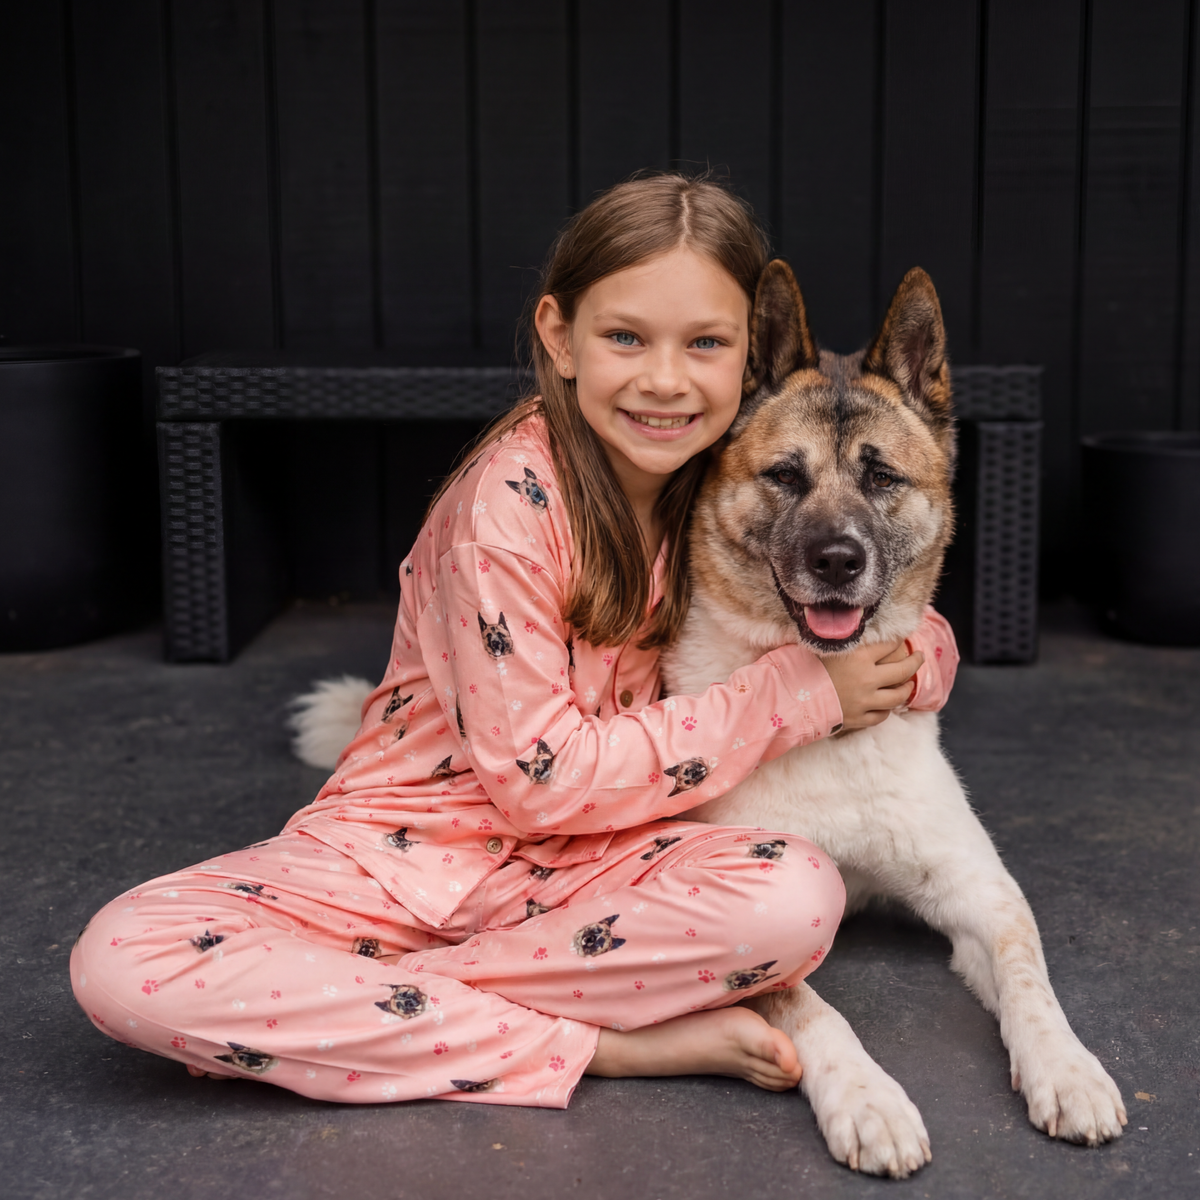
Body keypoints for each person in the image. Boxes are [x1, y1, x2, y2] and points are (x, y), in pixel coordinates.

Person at [70, 174, 956, 1108]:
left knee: (794, 900)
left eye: (704, 343)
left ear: (751, 360)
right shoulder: (506, 509)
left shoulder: (732, 475)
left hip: (607, 859)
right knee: (122, 962)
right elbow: (538, 784)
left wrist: (919, 656)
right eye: (625, 337)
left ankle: (375, 1007)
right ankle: (601, 1043)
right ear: (558, 336)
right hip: (407, 854)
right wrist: (803, 695)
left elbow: (873, 594)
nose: (664, 378)